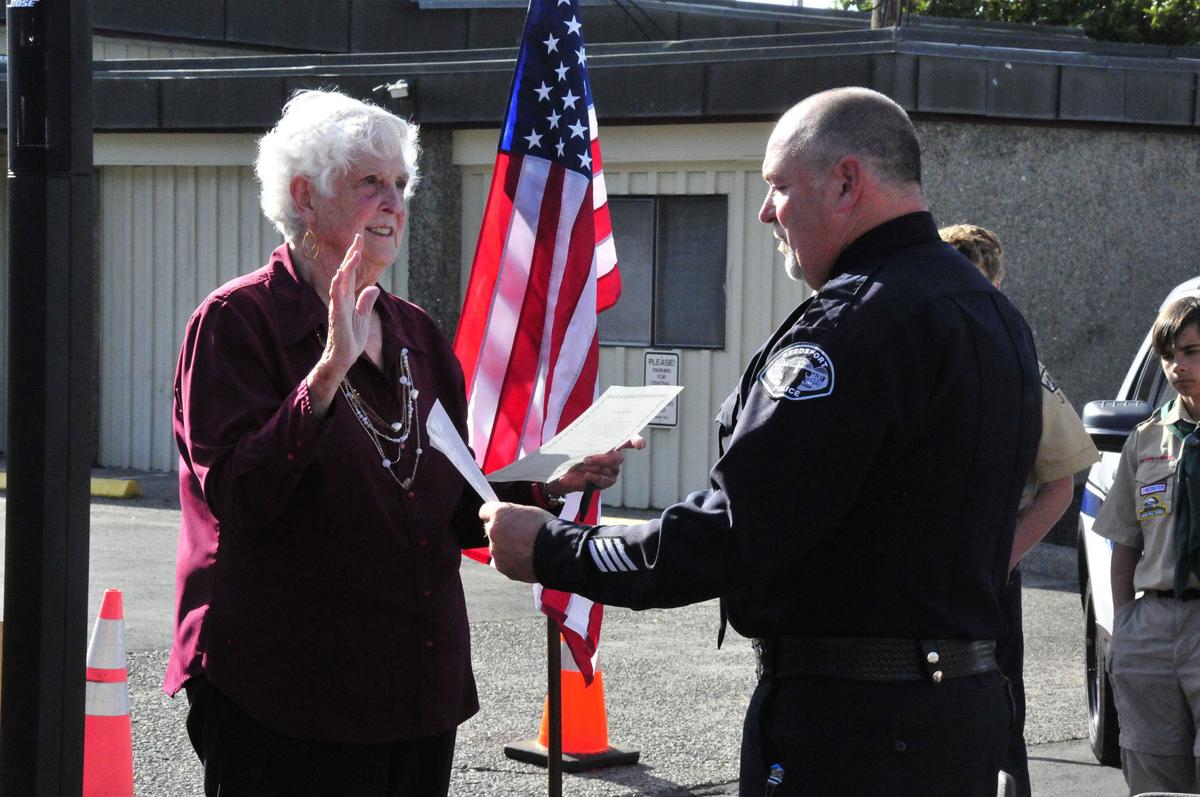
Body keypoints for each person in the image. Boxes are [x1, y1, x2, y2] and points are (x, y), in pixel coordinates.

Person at [483, 86, 1042, 795]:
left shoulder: (853, 328)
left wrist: (554, 549)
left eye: (778, 186)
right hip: (960, 716)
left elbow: (734, 532)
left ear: (846, 182)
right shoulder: (994, 315)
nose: (765, 211)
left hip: (851, 733)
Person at [163, 89, 632, 797]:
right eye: (370, 183)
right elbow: (240, 496)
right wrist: (328, 371)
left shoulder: (415, 333)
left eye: (401, 185)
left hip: (412, 691)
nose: (394, 203)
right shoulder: (237, 322)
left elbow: (450, 498)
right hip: (287, 694)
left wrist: (552, 479)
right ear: (305, 197)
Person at [940, 223, 1100, 797]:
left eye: (976, 285)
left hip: (985, 577)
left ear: (999, 287)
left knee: (999, 715)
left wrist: (1000, 559)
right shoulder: (909, 351)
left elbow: (1061, 481)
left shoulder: (1018, 363)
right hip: (913, 576)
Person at [1094, 296, 1200, 795]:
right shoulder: (1147, 439)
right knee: (1153, 771)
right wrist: (1125, 623)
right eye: (1170, 355)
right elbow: (1125, 540)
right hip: (1153, 626)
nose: (1179, 366)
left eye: (1193, 351)